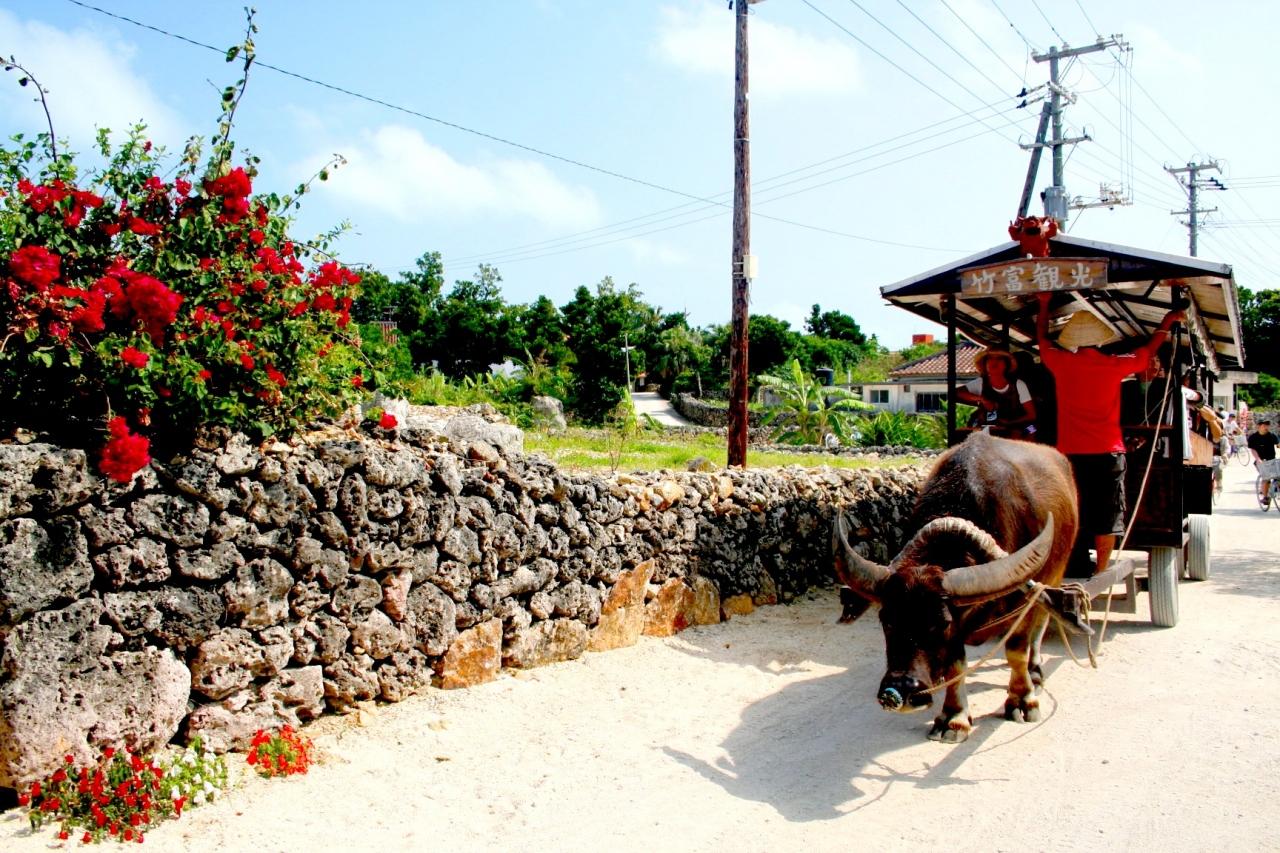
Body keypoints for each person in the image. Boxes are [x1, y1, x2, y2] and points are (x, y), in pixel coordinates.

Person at [1037, 294, 1184, 575]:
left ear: (1073, 340)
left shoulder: (1061, 362)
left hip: (1069, 454)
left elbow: (1042, 339)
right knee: (1107, 514)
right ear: (1101, 341)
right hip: (1107, 452)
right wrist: (1167, 320)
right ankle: (1102, 572)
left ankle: (1074, 565)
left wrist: (1043, 304)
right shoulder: (1114, 364)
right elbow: (1149, 350)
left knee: (1073, 509)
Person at [955, 348, 1037, 439]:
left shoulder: (1018, 384)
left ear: (1006, 364)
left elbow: (1032, 415)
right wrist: (982, 399)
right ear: (985, 364)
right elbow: (956, 393)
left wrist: (1010, 423)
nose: (994, 362)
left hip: (1016, 424)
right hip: (989, 426)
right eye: (990, 359)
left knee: (1032, 429)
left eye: (999, 359)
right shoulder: (980, 382)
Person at [1248, 419, 1278, 506]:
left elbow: (1278, 445)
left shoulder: (1272, 436)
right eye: (1264, 425)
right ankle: (1265, 497)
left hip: (1272, 460)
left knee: (1278, 476)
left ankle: (1276, 488)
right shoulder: (1253, 437)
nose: (1266, 427)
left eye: (1267, 425)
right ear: (1259, 426)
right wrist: (1258, 459)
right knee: (1266, 478)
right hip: (1260, 461)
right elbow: (1253, 450)